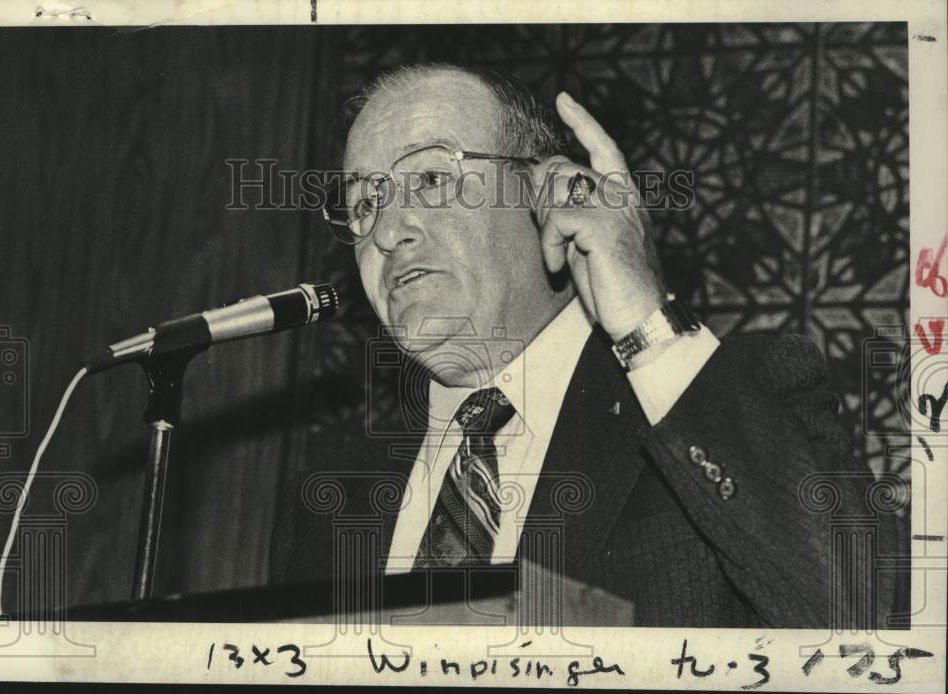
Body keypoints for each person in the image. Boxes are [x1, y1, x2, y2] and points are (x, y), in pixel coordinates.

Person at [280, 62, 906, 628]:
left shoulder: (715, 397)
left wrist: (648, 324)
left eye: (433, 178)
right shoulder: (334, 494)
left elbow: (868, 617)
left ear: (545, 191)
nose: (388, 231)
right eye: (365, 202)